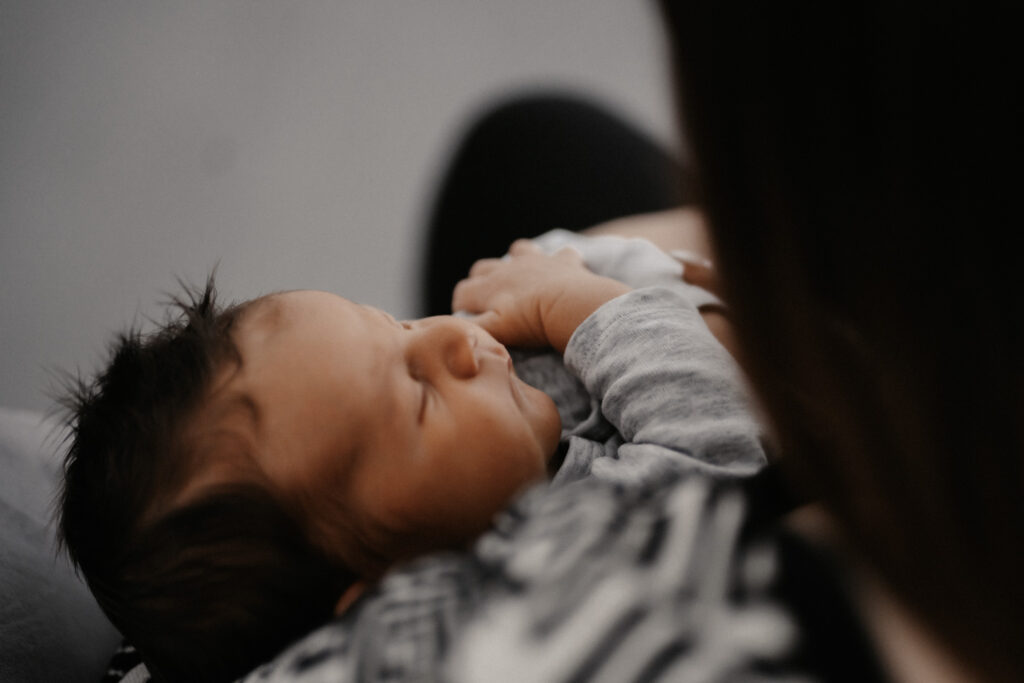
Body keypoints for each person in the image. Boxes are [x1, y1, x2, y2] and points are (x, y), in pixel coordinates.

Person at [60, 225, 764, 681]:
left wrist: (561, 277)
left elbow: (541, 264)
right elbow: (720, 453)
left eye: (395, 325)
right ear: (399, 594)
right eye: (418, 396)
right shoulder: (565, 556)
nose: (448, 339)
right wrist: (582, 302)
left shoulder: (491, 399)